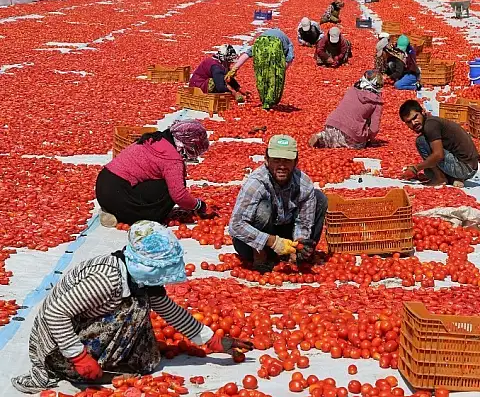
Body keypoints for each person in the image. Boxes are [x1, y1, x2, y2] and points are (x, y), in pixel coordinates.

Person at [11, 221, 254, 394]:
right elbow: (55, 313)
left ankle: (102, 362)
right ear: (146, 265)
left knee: (145, 342)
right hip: (57, 343)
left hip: (79, 329)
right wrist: (79, 356)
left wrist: (214, 341)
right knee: (134, 308)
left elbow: (170, 311)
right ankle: (67, 368)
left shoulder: (138, 278)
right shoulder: (108, 279)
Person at [228, 135, 327, 273]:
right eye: (276, 160)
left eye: (287, 161)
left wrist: (298, 244)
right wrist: (272, 242)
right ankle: (261, 256)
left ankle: (297, 255)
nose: (282, 166)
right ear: (267, 160)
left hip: (285, 235)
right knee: (264, 208)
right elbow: (236, 225)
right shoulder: (256, 183)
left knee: (320, 198)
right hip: (253, 242)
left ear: (296, 161)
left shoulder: (304, 184)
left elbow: (304, 222)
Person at [96, 120, 211, 227]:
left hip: (103, 187)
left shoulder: (156, 139)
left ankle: (112, 211)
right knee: (170, 187)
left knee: (163, 182)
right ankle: (131, 216)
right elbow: (179, 195)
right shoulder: (172, 159)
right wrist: (198, 205)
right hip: (119, 193)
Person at [399, 100, 480, 186]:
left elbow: (438, 155)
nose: (413, 123)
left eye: (415, 117)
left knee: (421, 141)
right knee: (428, 171)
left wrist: (415, 168)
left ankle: (440, 179)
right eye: (408, 122)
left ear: (422, 112)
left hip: (465, 168)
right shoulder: (431, 121)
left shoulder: (430, 125)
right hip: (469, 167)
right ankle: (453, 179)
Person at [309, 70, 383, 149]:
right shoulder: (376, 101)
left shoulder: (351, 90)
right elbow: (374, 128)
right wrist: (370, 139)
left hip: (331, 124)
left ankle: (323, 136)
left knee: (333, 136)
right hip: (351, 134)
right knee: (360, 144)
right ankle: (339, 140)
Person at [232, 28, 295, 109]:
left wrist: (234, 69)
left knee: (261, 75)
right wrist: (280, 72)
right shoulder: (289, 43)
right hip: (275, 45)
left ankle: (265, 100)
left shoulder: (263, 35)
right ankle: (269, 102)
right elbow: (289, 59)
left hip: (260, 42)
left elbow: (247, 55)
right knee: (274, 79)